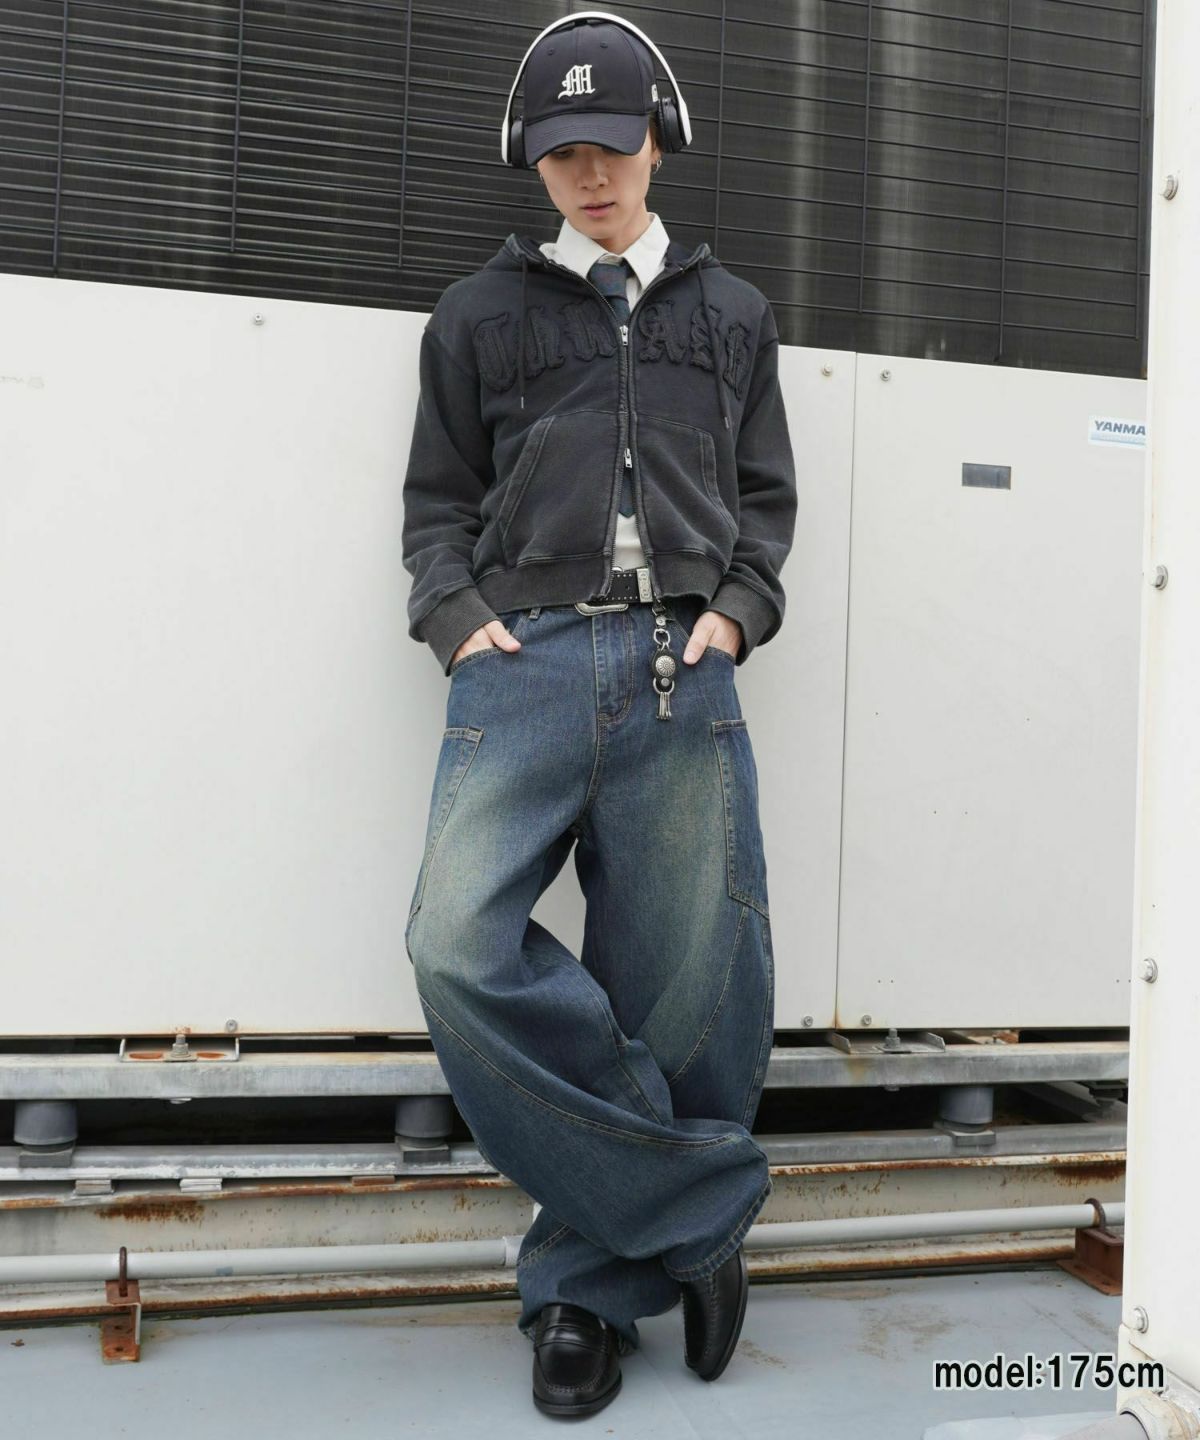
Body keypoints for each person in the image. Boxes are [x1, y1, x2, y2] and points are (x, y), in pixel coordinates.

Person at [400, 11, 797, 1420]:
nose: (590, 176)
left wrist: (738, 610)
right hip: (523, 663)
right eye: (564, 153)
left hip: (682, 656)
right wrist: (457, 618)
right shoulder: (478, 315)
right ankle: (699, 1213)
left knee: (686, 980)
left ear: (657, 144)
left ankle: (580, 1293)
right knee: (455, 946)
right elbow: (436, 503)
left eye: (613, 148)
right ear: (535, 159)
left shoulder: (733, 315)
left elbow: (767, 504)